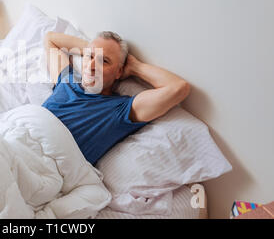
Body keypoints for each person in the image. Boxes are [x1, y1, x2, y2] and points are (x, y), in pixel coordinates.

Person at [42, 31, 191, 166]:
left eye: (104, 61)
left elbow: (178, 87)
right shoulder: (67, 80)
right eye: (90, 57)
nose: (92, 66)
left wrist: (135, 66)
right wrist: (94, 49)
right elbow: (51, 39)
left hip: (45, 164)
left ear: (119, 72)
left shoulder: (119, 110)